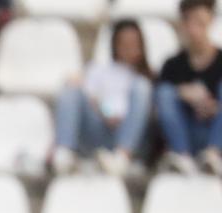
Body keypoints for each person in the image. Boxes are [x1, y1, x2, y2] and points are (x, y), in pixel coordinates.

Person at [52, 19, 153, 177]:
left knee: (142, 86)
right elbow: (90, 96)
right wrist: (105, 111)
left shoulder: (148, 78)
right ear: (115, 44)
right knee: (71, 89)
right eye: (124, 43)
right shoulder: (99, 69)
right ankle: (63, 154)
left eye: (133, 43)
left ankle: (122, 157)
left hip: (130, 136)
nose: (129, 48)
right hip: (99, 128)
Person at [155, 0, 222, 174]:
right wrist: (182, 92)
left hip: (214, 131)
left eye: (200, 21)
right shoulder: (172, 65)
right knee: (165, 93)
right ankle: (182, 156)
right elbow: (159, 109)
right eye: (189, 21)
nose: (194, 29)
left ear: (211, 20)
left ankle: (213, 153)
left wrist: (214, 109)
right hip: (187, 132)